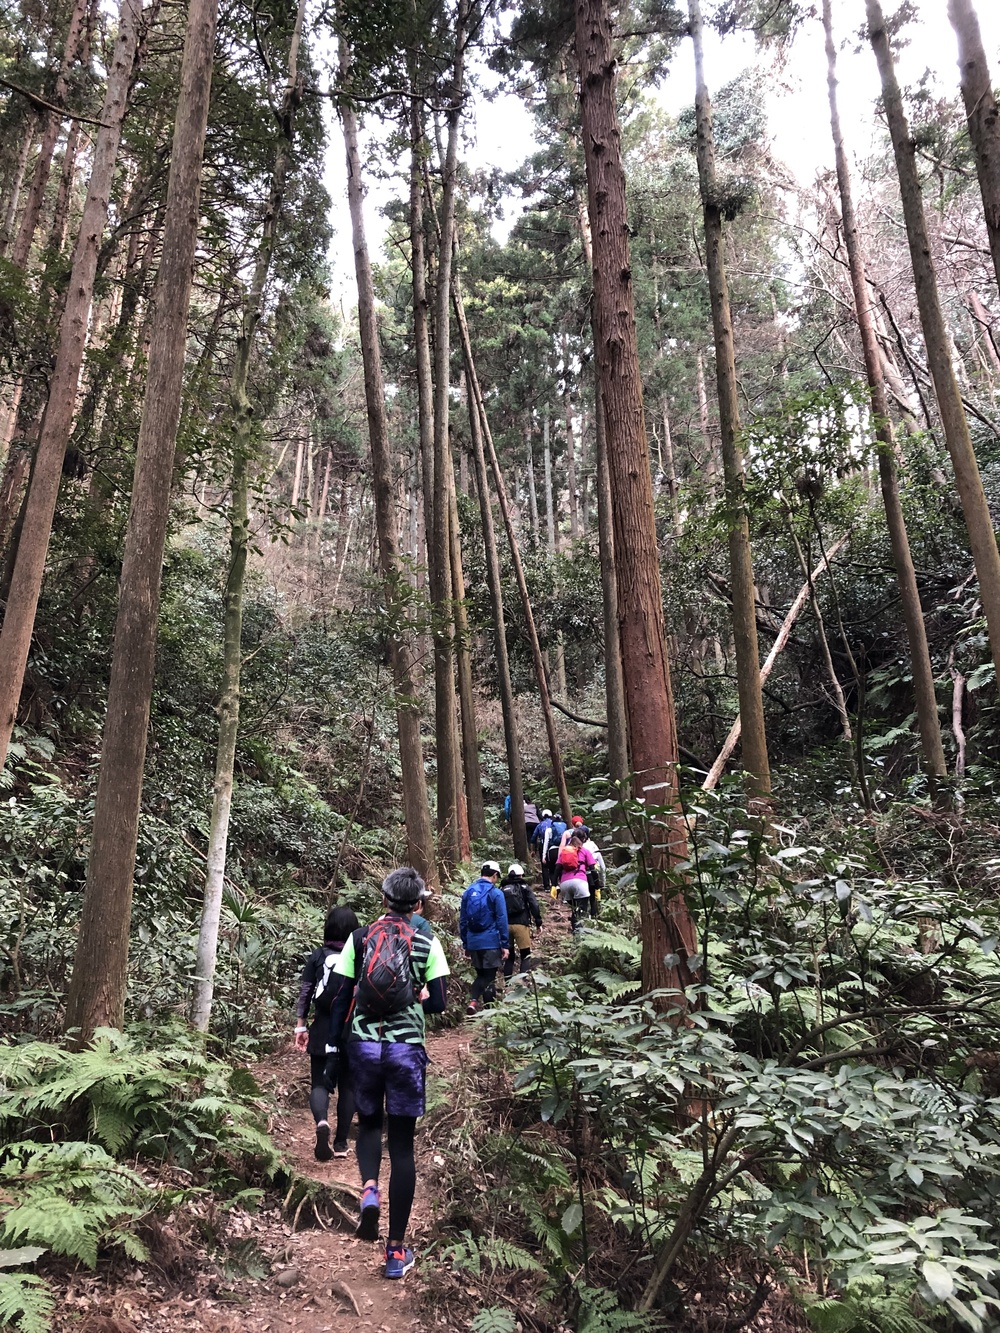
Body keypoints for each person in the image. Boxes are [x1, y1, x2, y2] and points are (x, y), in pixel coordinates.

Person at [326, 867, 449, 1280]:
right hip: (405, 1049)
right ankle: (395, 1252)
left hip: (363, 1044)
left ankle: (368, 1189)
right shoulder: (427, 940)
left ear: (383, 900)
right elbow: (439, 1005)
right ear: (418, 904)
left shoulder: (360, 939)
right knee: (402, 1147)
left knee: (369, 1126)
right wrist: (418, 994)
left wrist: (332, 1044)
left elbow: (339, 994)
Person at [293, 905, 360, 1161]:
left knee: (320, 1083)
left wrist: (301, 1025)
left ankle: (322, 1122)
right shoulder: (360, 955)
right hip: (351, 1028)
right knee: (349, 1087)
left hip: (322, 1028)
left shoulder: (318, 955)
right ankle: (341, 1143)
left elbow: (306, 992)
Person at [459, 860, 509, 1014]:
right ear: (494, 875)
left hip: (473, 942)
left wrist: (466, 943)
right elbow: (502, 919)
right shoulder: (496, 893)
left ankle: (476, 1003)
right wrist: (505, 944)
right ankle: (486, 1010)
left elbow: (463, 920)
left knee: (481, 974)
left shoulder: (468, 892)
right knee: (489, 977)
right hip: (491, 942)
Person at [501, 862, 542, 978]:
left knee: (508, 954)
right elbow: (534, 904)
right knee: (525, 954)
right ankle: (523, 980)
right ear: (521, 875)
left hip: (506, 925)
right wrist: (538, 922)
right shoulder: (525, 888)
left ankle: (507, 981)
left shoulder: (503, 888)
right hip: (522, 924)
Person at [553, 830, 598, 933]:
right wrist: (597, 886)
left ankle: (575, 930)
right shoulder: (585, 851)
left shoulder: (564, 852)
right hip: (580, 882)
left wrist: (554, 885)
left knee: (574, 909)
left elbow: (557, 870)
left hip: (565, 884)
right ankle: (580, 934)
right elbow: (593, 870)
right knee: (582, 910)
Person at [582, 832, 606, 918]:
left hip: (581, 876)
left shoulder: (578, 848)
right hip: (593, 875)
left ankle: (583, 915)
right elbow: (603, 866)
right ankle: (593, 915)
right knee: (592, 897)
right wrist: (603, 882)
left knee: (583, 898)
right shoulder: (594, 847)